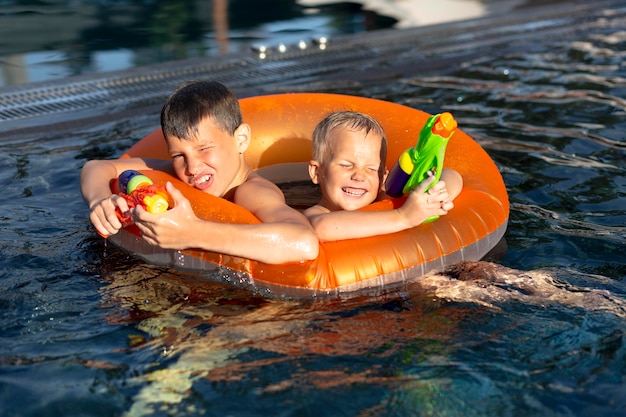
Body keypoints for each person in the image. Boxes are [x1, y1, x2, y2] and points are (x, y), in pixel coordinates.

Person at [81, 80, 318, 264]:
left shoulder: (251, 192)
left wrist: (192, 233)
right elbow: (96, 167)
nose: (192, 167)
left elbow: (304, 241)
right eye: (178, 155)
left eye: (204, 149)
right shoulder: (180, 173)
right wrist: (99, 200)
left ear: (242, 140)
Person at [303, 111, 463, 242]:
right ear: (316, 172)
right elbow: (322, 228)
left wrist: (438, 192)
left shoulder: (386, 198)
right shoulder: (314, 215)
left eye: (372, 169)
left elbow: (453, 175)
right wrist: (403, 217)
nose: (359, 176)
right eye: (346, 165)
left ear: (383, 178)